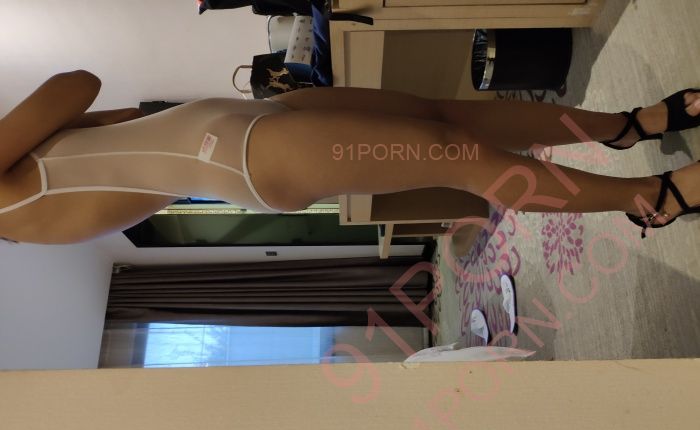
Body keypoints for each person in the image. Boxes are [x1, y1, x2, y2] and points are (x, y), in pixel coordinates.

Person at [1, 69, 698, 245]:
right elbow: (75, 85)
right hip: (247, 155)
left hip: (247, 125)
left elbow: (111, 116)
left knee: (448, 117)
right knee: (457, 154)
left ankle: (627, 126)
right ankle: (655, 198)